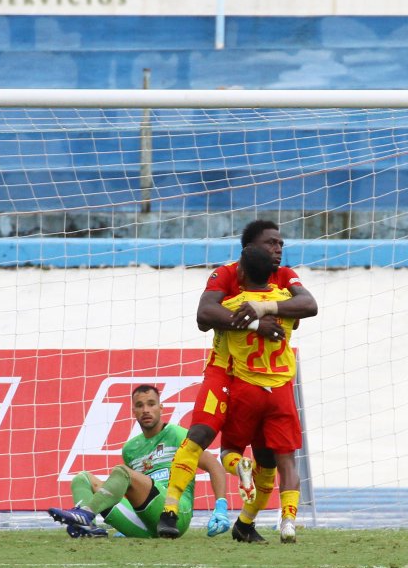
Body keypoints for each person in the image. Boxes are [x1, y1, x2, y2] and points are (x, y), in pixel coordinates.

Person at [157, 220, 317, 543]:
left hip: (253, 380)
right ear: (250, 248)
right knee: (201, 435)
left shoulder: (284, 276)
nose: (278, 249)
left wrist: (262, 308)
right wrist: (256, 323)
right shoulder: (227, 273)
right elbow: (204, 313)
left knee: (263, 457)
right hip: (225, 371)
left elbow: (309, 304)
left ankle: (245, 523)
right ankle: (169, 511)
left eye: (281, 244)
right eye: (271, 243)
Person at [46, 384, 231, 539]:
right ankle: (89, 528)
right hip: (144, 522)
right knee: (82, 478)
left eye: (151, 404)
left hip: (175, 516)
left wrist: (220, 507)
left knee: (122, 472)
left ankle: (85, 513)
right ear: (133, 411)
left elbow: (214, 466)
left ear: (161, 408)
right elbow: (133, 491)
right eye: (140, 405)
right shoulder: (130, 449)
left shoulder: (178, 434)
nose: (146, 410)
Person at [209, 245, 303, 543]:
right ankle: (288, 520)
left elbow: (207, 320)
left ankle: (241, 467)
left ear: (241, 272)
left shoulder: (234, 304)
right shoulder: (286, 301)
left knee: (228, 450)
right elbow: (300, 317)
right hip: (281, 391)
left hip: (246, 389)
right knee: (287, 461)